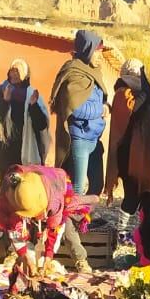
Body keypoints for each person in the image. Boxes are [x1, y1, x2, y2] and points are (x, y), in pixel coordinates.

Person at [0, 165, 92, 273]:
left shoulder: (56, 196)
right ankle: (14, 252)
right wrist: (25, 257)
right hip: (27, 201)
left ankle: (81, 260)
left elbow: (55, 228)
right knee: (10, 224)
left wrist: (48, 256)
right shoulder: (11, 194)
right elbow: (14, 229)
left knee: (68, 227)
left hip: (57, 193)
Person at [49, 29, 107, 194]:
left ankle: (82, 218)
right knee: (77, 188)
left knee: (96, 185)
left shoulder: (95, 73)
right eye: (98, 52)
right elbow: (75, 107)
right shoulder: (74, 72)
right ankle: (72, 220)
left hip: (95, 139)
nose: (100, 56)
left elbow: (97, 99)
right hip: (79, 138)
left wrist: (105, 105)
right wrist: (100, 110)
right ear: (88, 50)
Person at [0, 59, 50, 175]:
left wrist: (33, 106)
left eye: (19, 70)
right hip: (5, 149)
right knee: (5, 187)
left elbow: (42, 125)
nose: (15, 73)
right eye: (13, 70)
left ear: (26, 74)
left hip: (25, 147)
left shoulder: (32, 94)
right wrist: (4, 101)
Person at [104, 59, 149, 217]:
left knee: (136, 195)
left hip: (133, 153)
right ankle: (123, 233)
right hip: (125, 153)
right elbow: (131, 112)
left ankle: (128, 233)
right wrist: (144, 97)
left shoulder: (129, 93)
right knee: (131, 195)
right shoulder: (123, 93)